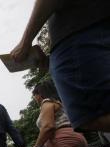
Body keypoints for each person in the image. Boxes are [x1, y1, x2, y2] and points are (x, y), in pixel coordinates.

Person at [11, 0, 110, 132]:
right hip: (89, 30)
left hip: (77, 34)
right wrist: (49, 63)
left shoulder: (48, 104)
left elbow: (48, 126)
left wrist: (25, 42)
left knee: (91, 117)